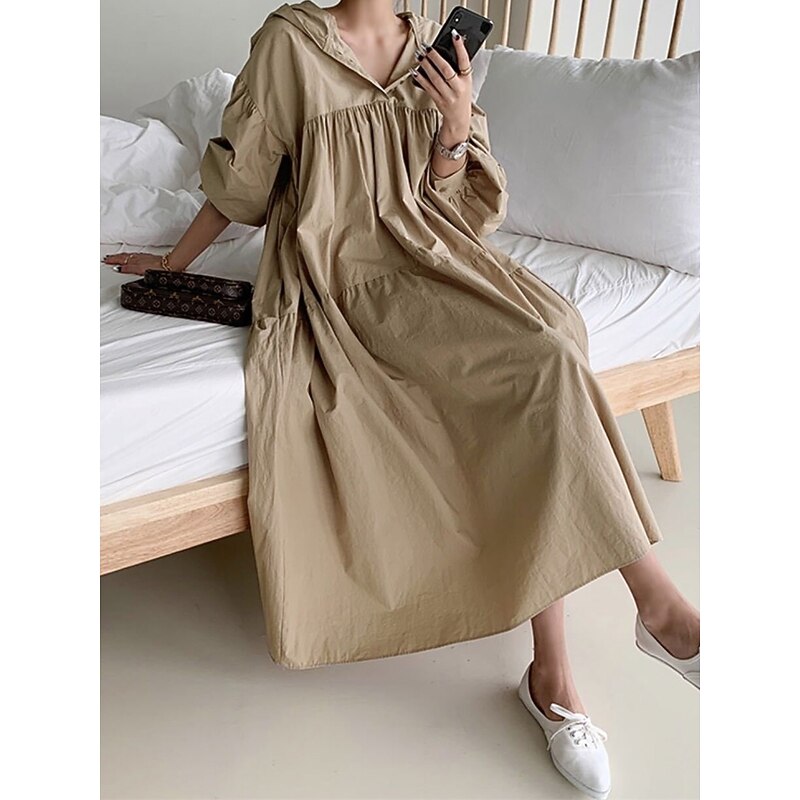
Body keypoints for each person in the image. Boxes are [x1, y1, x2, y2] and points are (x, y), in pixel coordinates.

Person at [103, 2, 699, 796]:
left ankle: (570, 662)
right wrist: (171, 266)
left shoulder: (432, 46)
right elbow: (241, 184)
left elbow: (460, 210)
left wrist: (453, 130)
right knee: (537, 363)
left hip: (433, 252)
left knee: (553, 338)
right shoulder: (290, 44)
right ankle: (642, 620)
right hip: (343, 273)